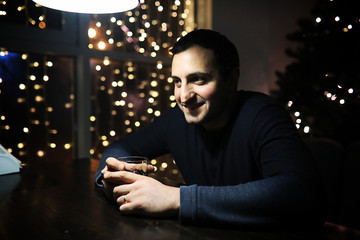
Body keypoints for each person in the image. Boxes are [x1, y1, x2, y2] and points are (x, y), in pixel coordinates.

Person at [95, 29, 326, 229]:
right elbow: (121, 147)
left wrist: (178, 199)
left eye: (198, 79)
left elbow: (300, 190)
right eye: (177, 81)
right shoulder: (175, 120)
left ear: (231, 79)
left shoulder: (262, 114)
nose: (184, 96)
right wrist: (109, 179)